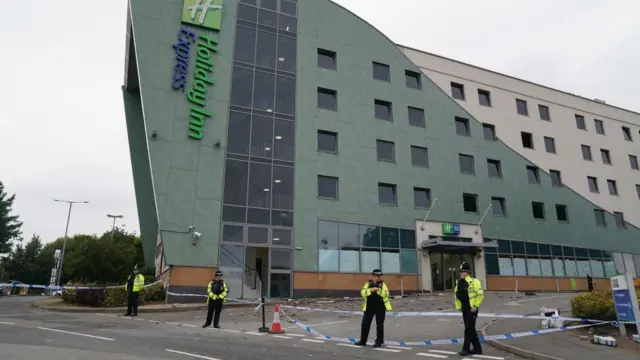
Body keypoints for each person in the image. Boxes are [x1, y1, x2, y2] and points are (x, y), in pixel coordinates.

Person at [355, 269, 392, 348]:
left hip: (380, 307)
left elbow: (386, 294)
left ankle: (379, 341)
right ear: (373, 276)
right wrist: (370, 290)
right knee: (365, 324)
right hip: (369, 307)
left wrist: (378, 290)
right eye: (376, 276)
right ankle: (363, 340)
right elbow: (362, 293)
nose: (377, 278)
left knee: (379, 325)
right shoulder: (368, 284)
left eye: (379, 276)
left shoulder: (382, 284)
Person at [455, 262, 484, 356]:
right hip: (464, 308)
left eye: (463, 272)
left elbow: (480, 296)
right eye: (460, 272)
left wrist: (475, 306)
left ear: (467, 272)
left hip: (472, 309)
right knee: (470, 328)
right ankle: (477, 348)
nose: (461, 273)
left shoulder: (474, 281)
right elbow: (457, 295)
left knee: (468, 329)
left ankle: (466, 349)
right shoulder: (458, 282)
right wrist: (459, 307)